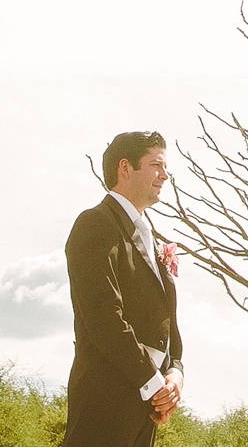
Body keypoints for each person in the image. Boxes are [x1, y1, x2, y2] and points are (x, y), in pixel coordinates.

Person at [62, 131, 186, 447]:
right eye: (156, 165)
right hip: (106, 393)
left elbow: (167, 322)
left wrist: (175, 374)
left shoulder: (152, 237)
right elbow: (103, 316)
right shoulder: (96, 223)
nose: (165, 175)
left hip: (148, 401)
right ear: (125, 168)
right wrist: (153, 381)